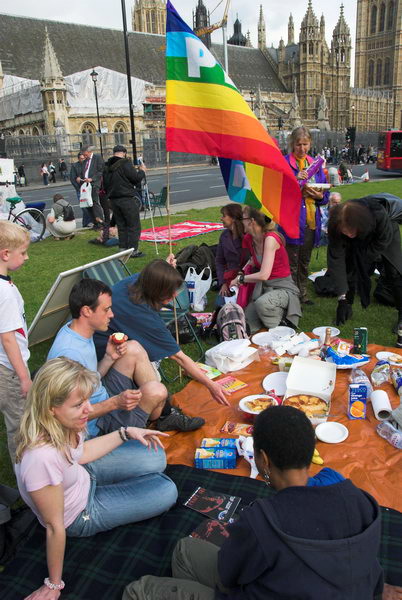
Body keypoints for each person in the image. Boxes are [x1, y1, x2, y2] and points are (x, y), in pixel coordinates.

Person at [124, 405, 383, 600]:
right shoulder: (356, 497)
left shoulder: (263, 521)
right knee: (184, 550)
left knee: (139, 590)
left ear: (264, 460)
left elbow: (232, 575)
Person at [15, 357, 177, 600]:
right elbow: (54, 526)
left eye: (87, 400)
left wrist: (126, 433)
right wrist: (53, 584)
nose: (89, 409)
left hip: (82, 474)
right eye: (79, 404)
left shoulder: (62, 421)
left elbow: (84, 453)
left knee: (156, 457)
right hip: (80, 513)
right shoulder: (40, 459)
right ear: (51, 407)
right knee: (167, 490)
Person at [48, 278, 195, 436]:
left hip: (99, 395)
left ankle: (164, 415)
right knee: (157, 391)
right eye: (106, 310)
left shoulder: (79, 331)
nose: (112, 314)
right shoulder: (70, 353)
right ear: (86, 311)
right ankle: (137, 429)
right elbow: (66, 416)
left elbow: (90, 379)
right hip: (95, 425)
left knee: (133, 348)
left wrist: (109, 358)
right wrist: (115, 403)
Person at [93, 259, 229, 415]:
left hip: (107, 343)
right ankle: (164, 415)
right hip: (102, 361)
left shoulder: (139, 280)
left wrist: (165, 268)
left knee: (151, 372)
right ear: (156, 290)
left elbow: (154, 274)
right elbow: (179, 358)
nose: (174, 295)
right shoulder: (142, 315)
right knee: (155, 387)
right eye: (169, 292)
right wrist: (211, 385)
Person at [327, 194, 402, 347]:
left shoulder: (378, 215)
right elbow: (337, 260)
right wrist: (342, 298)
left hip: (385, 232)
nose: (347, 233)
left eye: (350, 230)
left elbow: (383, 240)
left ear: (357, 224)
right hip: (363, 231)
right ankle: (347, 304)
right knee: (349, 266)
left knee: (394, 271)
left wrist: (364, 258)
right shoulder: (336, 226)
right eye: (344, 231)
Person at [230, 206, 301, 333]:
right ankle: (270, 325)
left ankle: (281, 331)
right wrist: (241, 272)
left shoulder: (270, 238)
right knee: (247, 323)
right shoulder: (249, 239)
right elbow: (252, 261)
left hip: (283, 288)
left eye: (243, 218)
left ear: (251, 221)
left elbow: (264, 275)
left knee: (262, 304)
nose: (241, 221)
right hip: (264, 288)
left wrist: (241, 279)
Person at [282, 127, 329, 305]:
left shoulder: (315, 164)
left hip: (310, 221)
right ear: (292, 144)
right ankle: (292, 296)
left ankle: (303, 293)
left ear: (310, 144)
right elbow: (279, 191)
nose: (302, 148)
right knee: (292, 261)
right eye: (298, 144)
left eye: (305, 144)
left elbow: (324, 192)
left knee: (304, 260)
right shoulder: (285, 163)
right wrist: (295, 179)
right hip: (292, 219)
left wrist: (320, 196)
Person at [0, 222, 31, 463]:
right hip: (10, 370)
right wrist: (23, 376)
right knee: (21, 426)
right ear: (5, 254)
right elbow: (8, 338)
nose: (27, 257)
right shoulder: (6, 293)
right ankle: (29, 480)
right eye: (23, 252)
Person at [102, 145, 145, 258]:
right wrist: (142, 171)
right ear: (124, 153)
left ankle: (123, 248)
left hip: (113, 200)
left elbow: (105, 184)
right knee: (133, 225)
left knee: (121, 225)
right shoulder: (125, 163)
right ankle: (133, 250)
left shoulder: (106, 166)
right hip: (126, 198)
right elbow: (135, 179)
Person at [215, 204, 245, 305]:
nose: (221, 218)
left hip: (245, 279)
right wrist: (222, 283)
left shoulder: (246, 235)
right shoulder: (224, 235)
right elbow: (219, 261)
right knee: (220, 305)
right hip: (229, 279)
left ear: (233, 218)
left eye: (224, 215)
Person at [75, 145, 105, 229]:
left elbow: (101, 171)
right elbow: (83, 172)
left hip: (94, 184)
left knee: (94, 203)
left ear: (89, 152)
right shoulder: (85, 161)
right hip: (85, 185)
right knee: (87, 204)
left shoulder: (97, 157)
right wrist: (79, 177)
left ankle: (100, 223)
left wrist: (92, 179)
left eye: (85, 154)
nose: (84, 156)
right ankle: (95, 222)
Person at [70, 152, 93, 228]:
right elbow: (72, 178)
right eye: (81, 158)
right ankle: (89, 222)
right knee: (83, 206)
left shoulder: (88, 164)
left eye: (84, 158)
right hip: (80, 189)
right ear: (78, 159)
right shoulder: (75, 166)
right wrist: (78, 188)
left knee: (89, 205)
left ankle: (85, 223)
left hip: (88, 188)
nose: (83, 160)